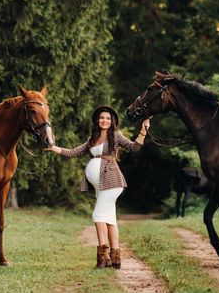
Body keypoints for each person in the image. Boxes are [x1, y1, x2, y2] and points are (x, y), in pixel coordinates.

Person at [46, 105, 150, 269]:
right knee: (110, 219)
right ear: (97, 120)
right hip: (100, 186)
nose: (105, 120)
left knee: (98, 215)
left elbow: (134, 147)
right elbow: (73, 152)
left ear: (113, 121)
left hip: (111, 181)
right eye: (102, 117)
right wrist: (52, 147)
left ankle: (103, 258)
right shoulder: (92, 139)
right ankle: (115, 259)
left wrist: (143, 131)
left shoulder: (116, 136)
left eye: (108, 118)